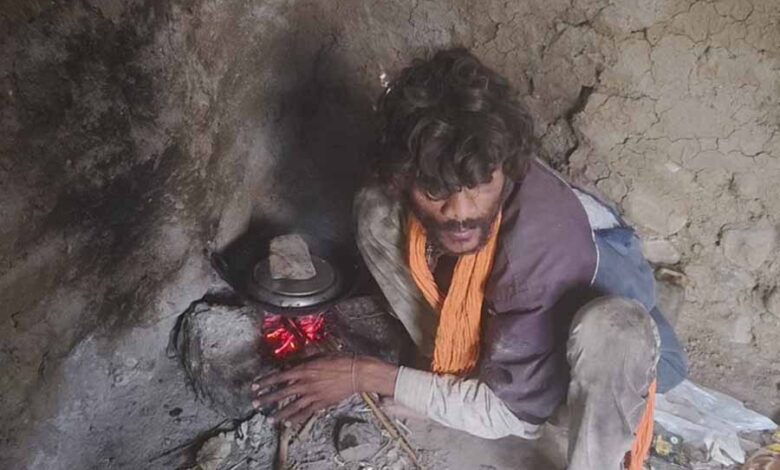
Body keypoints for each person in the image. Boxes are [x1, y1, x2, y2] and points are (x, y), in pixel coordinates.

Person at [251, 48, 688, 470]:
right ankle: (450, 373)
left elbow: (512, 416)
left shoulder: (539, 253)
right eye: (435, 189)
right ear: (403, 178)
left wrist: (362, 374)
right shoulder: (462, 169)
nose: (460, 211)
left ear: (507, 167)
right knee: (377, 210)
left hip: (599, 349)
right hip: (531, 308)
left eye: (479, 185)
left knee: (615, 328)